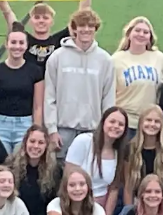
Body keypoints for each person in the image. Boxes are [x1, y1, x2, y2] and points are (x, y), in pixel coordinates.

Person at [43, 9, 116, 160]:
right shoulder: (57, 57)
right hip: (63, 131)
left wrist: (105, 132)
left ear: (95, 29)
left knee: (88, 177)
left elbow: (108, 99)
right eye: (82, 26)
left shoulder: (105, 60)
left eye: (91, 26)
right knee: (59, 177)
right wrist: (52, 130)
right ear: (74, 29)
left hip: (92, 130)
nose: (86, 30)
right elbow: (49, 96)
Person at [0, 0, 94, 71]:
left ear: (52, 21)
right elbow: (8, 13)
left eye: (45, 17)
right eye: (37, 17)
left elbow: (83, 13)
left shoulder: (60, 39)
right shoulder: (23, 39)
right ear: (31, 21)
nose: (41, 20)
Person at [0, 23, 44, 154]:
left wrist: (37, 130)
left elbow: (38, 106)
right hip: (1, 125)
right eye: (13, 42)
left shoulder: (35, 72)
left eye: (21, 43)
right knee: (1, 162)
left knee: (21, 163)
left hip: (25, 124)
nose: (17, 46)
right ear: (6, 44)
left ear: (26, 45)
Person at [111, 16, 163, 138]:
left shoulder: (158, 57)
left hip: (150, 123)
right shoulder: (116, 59)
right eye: (137, 30)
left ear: (150, 37)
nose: (141, 34)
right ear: (129, 34)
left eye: (145, 32)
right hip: (125, 123)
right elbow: (107, 92)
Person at [64, 107, 126, 215]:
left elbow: (113, 189)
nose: (116, 126)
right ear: (103, 123)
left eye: (121, 124)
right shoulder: (83, 141)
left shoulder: (119, 152)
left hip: (100, 210)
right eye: (112, 121)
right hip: (77, 207)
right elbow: (68, 176)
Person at [6, 125, 59, 215]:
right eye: (32, 141)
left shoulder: (55, 171)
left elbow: (51, 204)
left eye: (41, 143)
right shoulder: (10, 166)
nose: (36, 146)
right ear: (25, 143)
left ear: (46, 146)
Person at [120, 106, 163, 210]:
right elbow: (128, 186)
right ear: (140, 123)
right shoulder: (130, 148)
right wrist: (128, 212)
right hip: (138, 203)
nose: (152, 124)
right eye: (148, 120)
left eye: (157, 121)